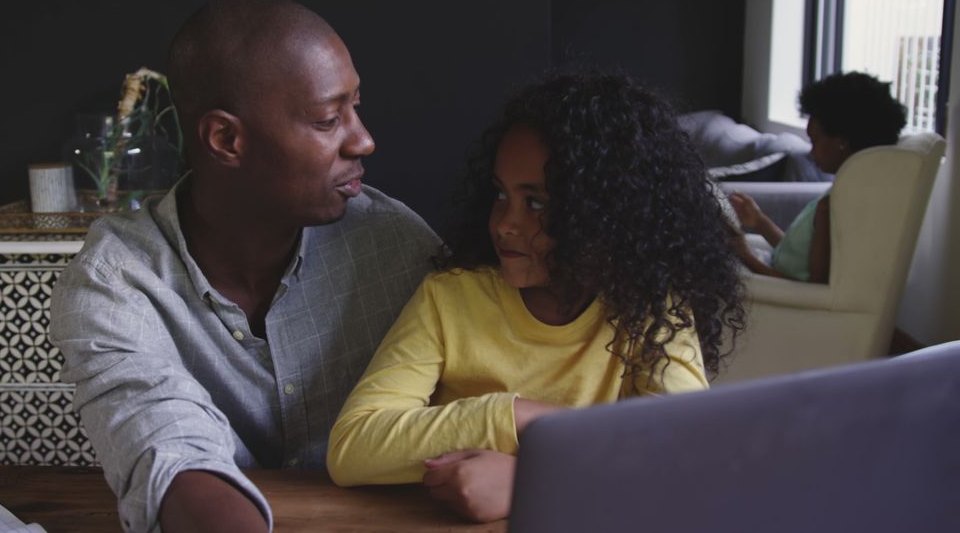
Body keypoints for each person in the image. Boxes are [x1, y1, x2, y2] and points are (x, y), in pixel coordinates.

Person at [49, 0, 441, 533]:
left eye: (356, 106)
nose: (364, 139)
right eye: (329, 119)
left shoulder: (399, 249)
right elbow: (165, 445)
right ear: (225, 139)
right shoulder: (116, 282)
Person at [326, 72, 746, 522]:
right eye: (501, 194)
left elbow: (688, 459)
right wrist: (520, 417)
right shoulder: (450, 298)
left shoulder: (652, 307)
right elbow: (354, 445)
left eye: (538, 203)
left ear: (609, 216)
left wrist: (532, 480)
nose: (505, 222)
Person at [729, 71, 908, 282]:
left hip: (776, 296)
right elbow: (796, 257)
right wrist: (759, 222)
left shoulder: (833, 206)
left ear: (841, 141)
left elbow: (811, 289)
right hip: (772, 273)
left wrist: (745, 256)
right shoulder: (849, 193)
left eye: (814, 141)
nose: (811, 152)